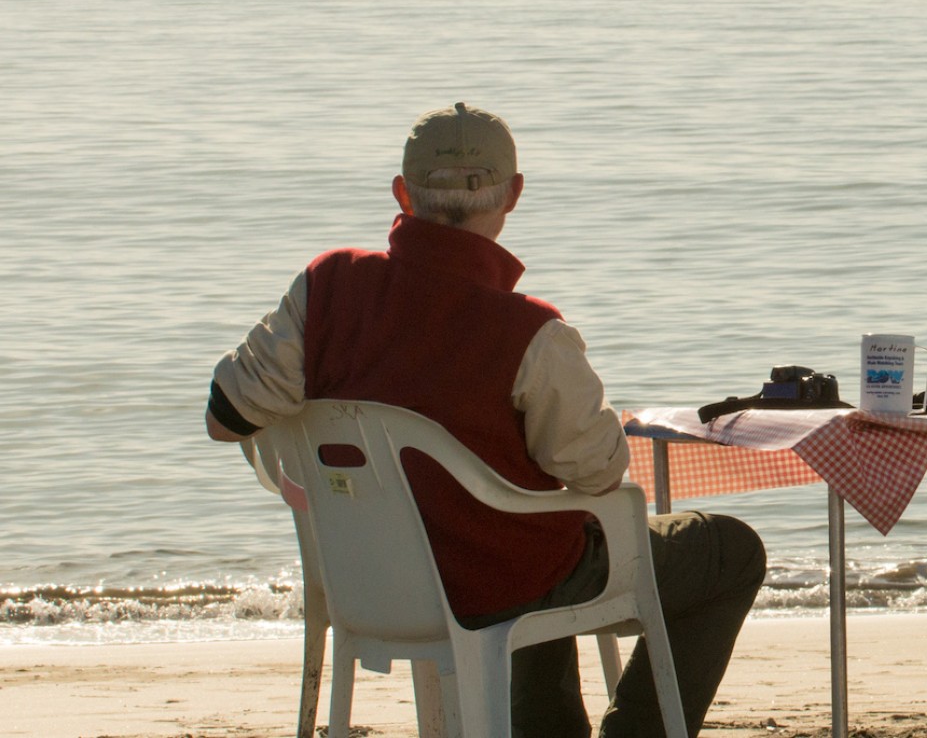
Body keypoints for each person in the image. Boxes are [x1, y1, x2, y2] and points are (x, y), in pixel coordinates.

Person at [204, 103, 765, 738]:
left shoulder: (324, 285)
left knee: (525, 534)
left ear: (401, 193)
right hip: (494, 582)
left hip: (366, 582)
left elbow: (226, 418)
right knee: (726, 551)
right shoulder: (530, 331)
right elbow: (601, 470)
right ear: (514, 195)